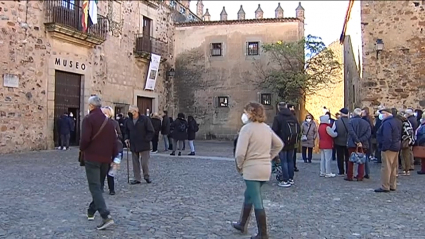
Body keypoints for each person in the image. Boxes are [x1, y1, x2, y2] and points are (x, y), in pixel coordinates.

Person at [232, 102, 283, 239]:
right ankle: (242, 223)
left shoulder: (247, 129)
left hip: (252, 169)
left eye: (246, 111)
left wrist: (240, 165)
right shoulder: (266, 128)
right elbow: (279, 144)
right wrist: (269, 157)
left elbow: (240, 153)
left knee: (257, 199)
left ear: (250, 113)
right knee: (249, 194)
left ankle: (263, 233)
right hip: (265, 168)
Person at [80, 95, 117, 230]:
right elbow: (114, 141)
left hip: (92, 158)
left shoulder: (88, 119)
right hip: (106, 159)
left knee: (95, 187)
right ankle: (91, 210)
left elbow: (84, 139)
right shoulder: (109, 122)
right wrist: (114, 158)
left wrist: (82, 148)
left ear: (90, 106)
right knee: (99, 186)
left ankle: (105, 216)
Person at [272, 102, 300, 188]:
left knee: (283, 161)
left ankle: (285, 179)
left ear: (278, 108)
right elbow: (298, 129)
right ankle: (291, 178)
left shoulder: (278, 117)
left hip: (282, 142)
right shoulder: (293, 117)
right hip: (291, 142)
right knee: (290, 160)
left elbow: (274, 130)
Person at [124, 105, 155, 184]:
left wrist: (147, 139)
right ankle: (137, 178)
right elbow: (126, 131)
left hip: (144, 143)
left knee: (144, 162)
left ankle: (146, 176)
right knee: (135, 162)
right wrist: (126, 138)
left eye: (132, 111)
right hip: (133, 143)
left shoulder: (144, 119)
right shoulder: (128, 120)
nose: (130, 112)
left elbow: (151, 131)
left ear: (136, 111)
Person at [375, 108, 401, 192]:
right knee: (393, 168)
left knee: (386, 168)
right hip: (395, 146)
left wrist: (384, 147)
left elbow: (387, 137)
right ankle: (392, 185)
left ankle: (385, 186)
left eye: (382, 113)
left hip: (389, 148)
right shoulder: (396, 121)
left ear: (386, 113)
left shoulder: (387, 123)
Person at [100, 106, 123, 195]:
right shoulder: (100, 123)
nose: (104, 114)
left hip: (116, 149)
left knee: (112, 171)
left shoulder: (114, 123)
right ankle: (100, 187)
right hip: (104, 150)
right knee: (103, 170)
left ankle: (111, 189)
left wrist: (116, 135)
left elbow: (120, 135)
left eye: (106, 113)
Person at [345, 108, 371, 181]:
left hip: (352, 143)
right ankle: (360, 176)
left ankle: (350, 176)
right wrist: (360, 141)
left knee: (351, 160)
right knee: (361, 160)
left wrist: (357, 140)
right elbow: (368, 134)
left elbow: (351, 132)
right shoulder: (366, 123)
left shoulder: (350, 122)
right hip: (363, 144)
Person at [334, 108, 350, 175]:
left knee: (340, 157)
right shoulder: (351, 121)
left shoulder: (337, 122)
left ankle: (341, 171)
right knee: (348, 157)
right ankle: (348, 170)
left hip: (339, 141)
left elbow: (333, 131)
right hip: (348, 142)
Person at [361, 107, 374, 179]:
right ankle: (366, 172)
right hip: (368, 140)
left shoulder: (365, 121)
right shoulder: (370, 120)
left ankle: (365, 172)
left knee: (364, 157)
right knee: (366, 157)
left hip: (365, 140)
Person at [287, 104, 300, 172]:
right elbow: (298, 128)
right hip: (294, 138)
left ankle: (291, 167)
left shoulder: (285, 117)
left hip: (288, 139)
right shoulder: (294, 117)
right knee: (293, 154)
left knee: (289, 155)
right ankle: (293, 166)